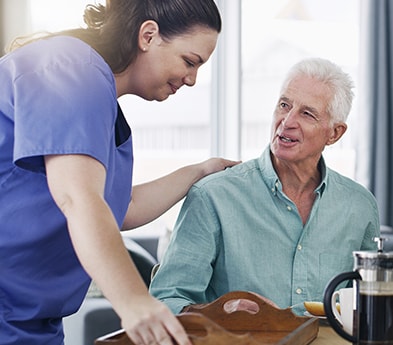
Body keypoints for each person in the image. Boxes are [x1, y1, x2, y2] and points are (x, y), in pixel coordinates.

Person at [0, 1, 240, 344]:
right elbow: (78, 198)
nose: (191, 79)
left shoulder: (100, 105)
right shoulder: (72, 70)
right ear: (148, 35)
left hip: (31, 321)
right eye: (189, 62)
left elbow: (120, 207)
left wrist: (201, 171)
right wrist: (134, 301)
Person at [150, 57, 393, 316]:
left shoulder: (359, 205)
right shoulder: (213, 196)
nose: (287, 121)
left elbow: (360, 296)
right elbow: (166, 299)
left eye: (307, 114)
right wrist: (219, 312)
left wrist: (387, 297)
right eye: (284, 105)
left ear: (334, 133)